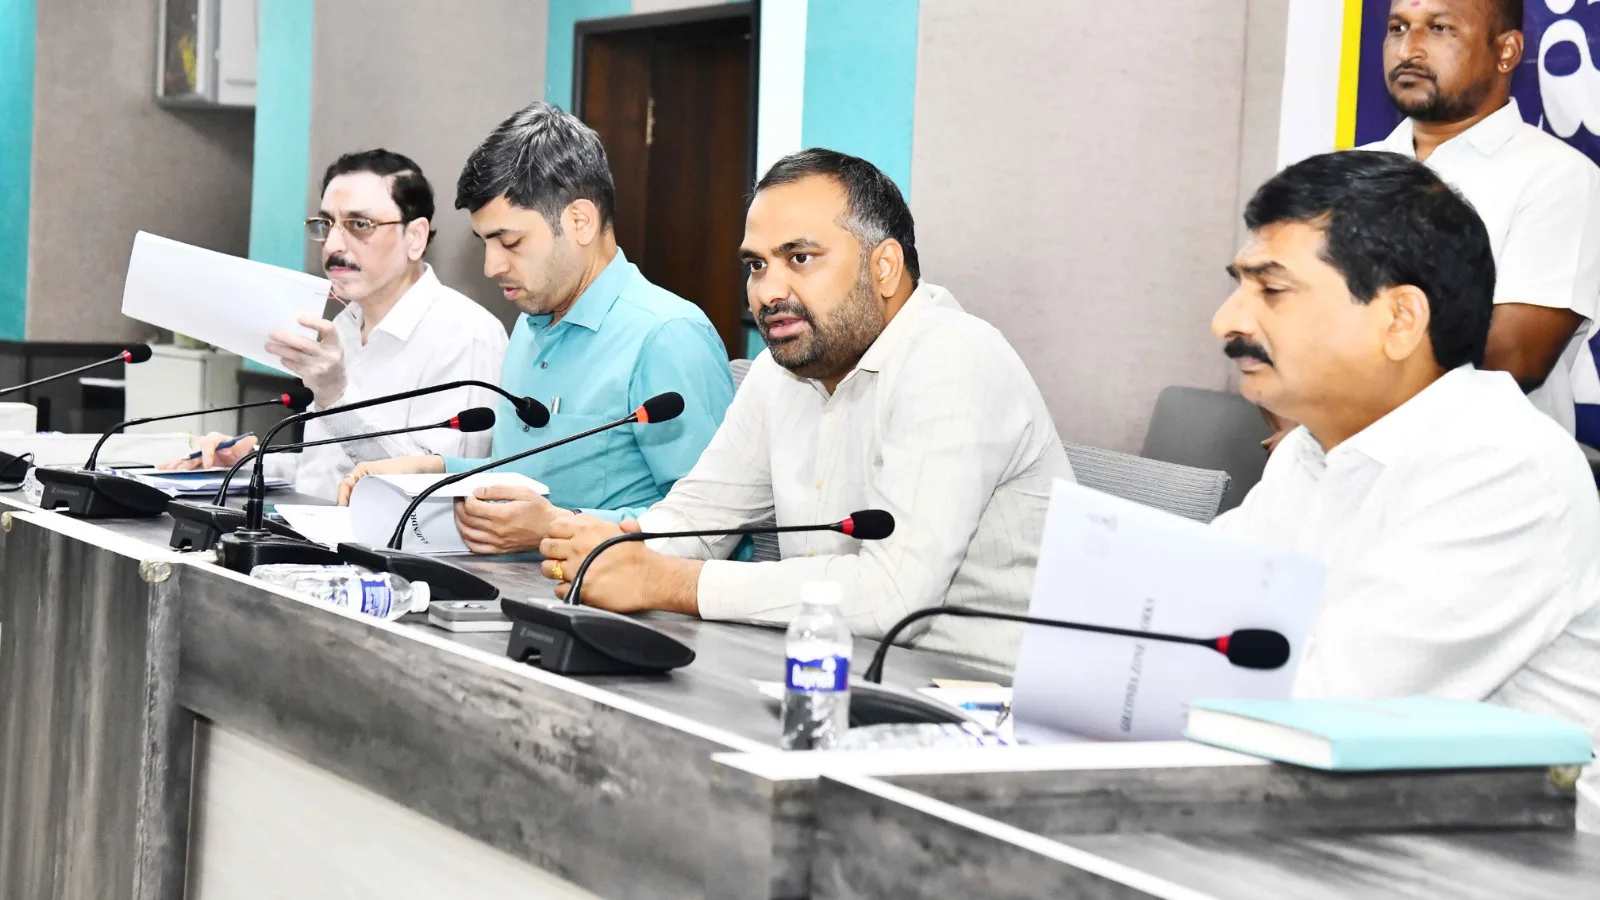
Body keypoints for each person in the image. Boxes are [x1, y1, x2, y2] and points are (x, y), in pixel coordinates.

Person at [535, 149, 1073, 672]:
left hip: (992, 698)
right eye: (756, 265)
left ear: (884, 267)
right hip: (835, 672)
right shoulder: (784, 372)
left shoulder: (956, 359)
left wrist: (663, 581)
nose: (768, 292)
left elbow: (890, 595)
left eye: (800, 258)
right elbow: (697, 520)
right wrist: (613, 548)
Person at [1213, 149, 1600, 830]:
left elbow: (1325, 714)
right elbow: (1186, 611)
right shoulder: (1315, 444)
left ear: (1399, 319)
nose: (1227, 322)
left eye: (1271, 290)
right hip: (1349, 821)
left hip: (1512, 858)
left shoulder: (1503, 469)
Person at [337, 102, 734, 553]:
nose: (491, 266)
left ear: (580, 221)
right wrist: (432, 471)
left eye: (509, 242)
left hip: (608, 595)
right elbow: (527, 480)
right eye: (485, 244)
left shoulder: (668, 336)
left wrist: (556, 527)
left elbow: (713, 528)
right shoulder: (530, 325)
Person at [1262, 0, 1600, 448]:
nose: (1408, 50)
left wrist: (1343, 425)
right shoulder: (1342, 174)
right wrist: (1301, 428)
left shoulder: (1558, 177)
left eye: (1439, 29)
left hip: (1481, 467)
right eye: (1398, 28)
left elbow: (1512, 360)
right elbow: (1271, 322)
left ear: (1507, 51)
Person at [160, 150, 508, 500]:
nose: (332, 245)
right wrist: (246, 462)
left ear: (415, 237)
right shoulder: (343, 325)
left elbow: (444, 492)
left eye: (360, 225)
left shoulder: (465, 334)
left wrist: (337, 396)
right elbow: (323, 472)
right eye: (326, 224)